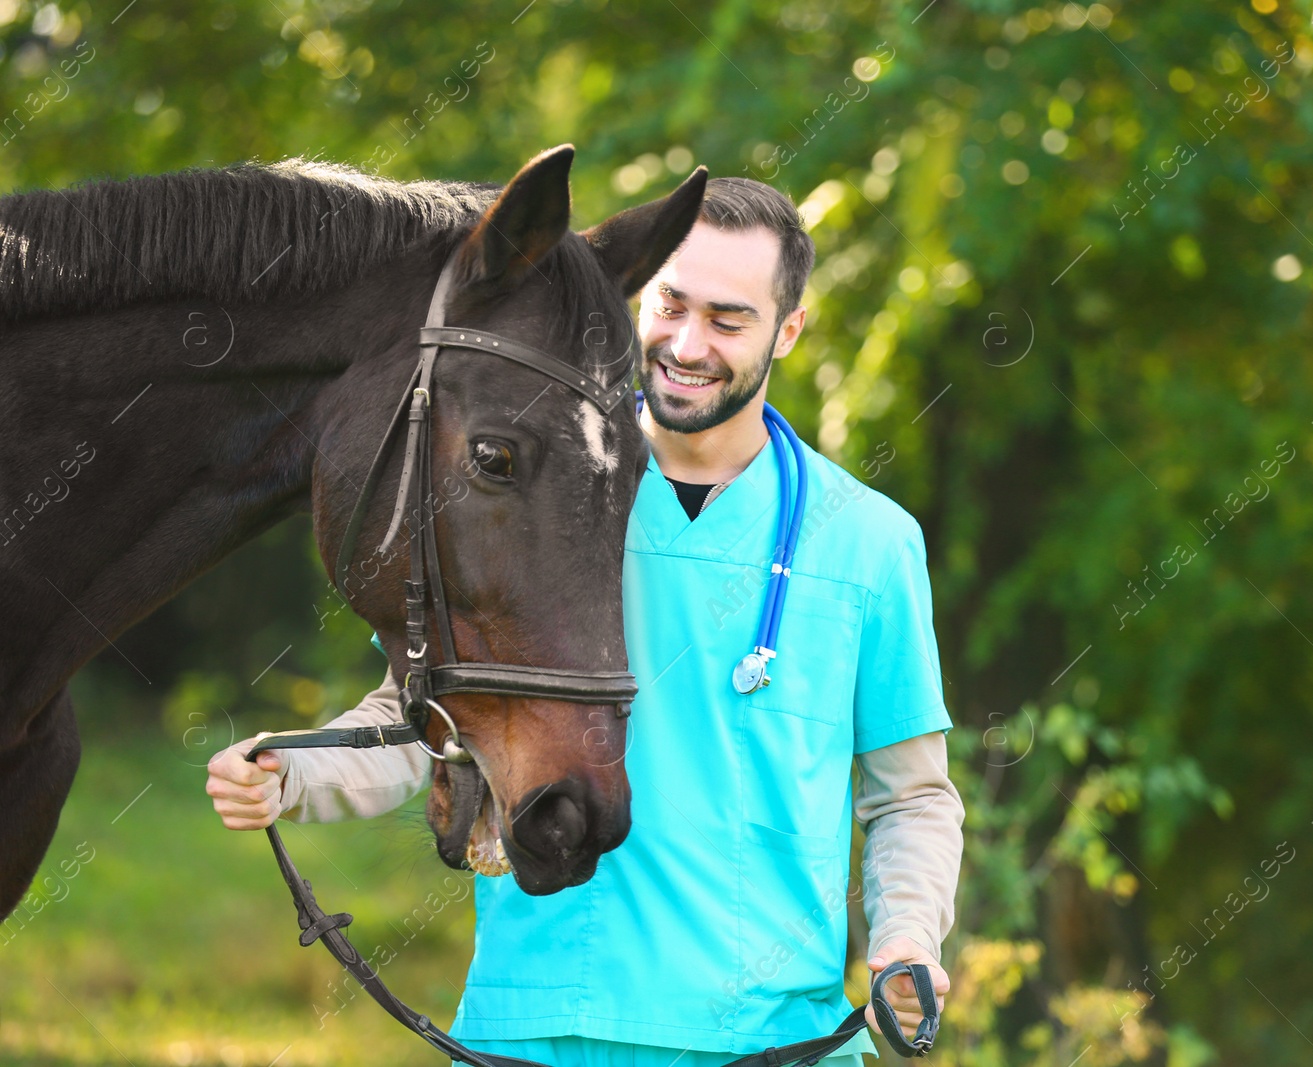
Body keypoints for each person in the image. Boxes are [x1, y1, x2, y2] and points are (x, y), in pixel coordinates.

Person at [206, 176, 964, 1067]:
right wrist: (292, 773)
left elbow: (909, 793)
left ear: (786, 331)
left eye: (728, 320)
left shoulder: (868, 542)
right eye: (671, 304)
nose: (687, 343)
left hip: (771, 1041)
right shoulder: (534, 495)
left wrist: (907, 936)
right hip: (533, 1029)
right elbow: (428, 722)